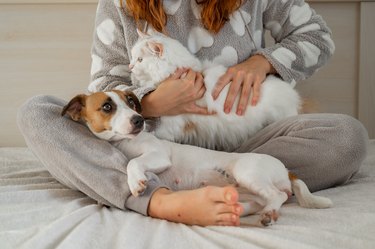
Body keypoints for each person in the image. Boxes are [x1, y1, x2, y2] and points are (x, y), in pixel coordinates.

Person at [17, 0, 368, 227]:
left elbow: (318, 37)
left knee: (346, 137)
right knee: (38, 114)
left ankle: (239, 179)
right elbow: (104, 88)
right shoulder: (118, 5)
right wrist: (153, 104)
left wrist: (262, 63)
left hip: (251, 143)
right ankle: (160, 201)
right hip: (147, 144)